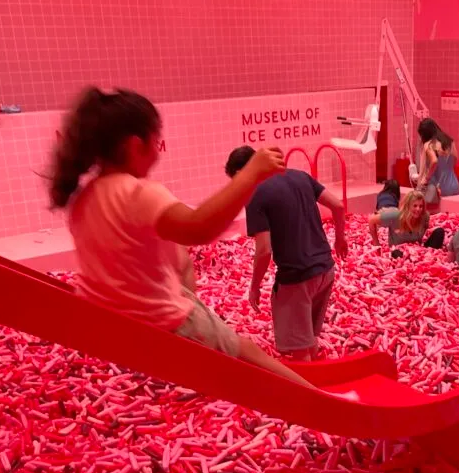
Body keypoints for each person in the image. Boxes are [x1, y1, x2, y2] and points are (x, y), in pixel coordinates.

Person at [49, 87, 310, 388]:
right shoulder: (137, 192)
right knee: (245, 351)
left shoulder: (83, 199)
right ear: (136, 146)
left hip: (114, 324)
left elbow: (136, 261)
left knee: (182, 268)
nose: (159, 150)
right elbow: (199, 227)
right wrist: (249, 175)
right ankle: (314, 396)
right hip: (162, 323)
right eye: (156, 140)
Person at [225, 146, 347, 363]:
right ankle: (321, 382)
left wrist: (254, 286)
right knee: (309, 337)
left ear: (240, 174)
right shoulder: (301, 176)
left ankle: (309, 394)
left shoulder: (255, 194)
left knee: (301, 351)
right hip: (326, 270)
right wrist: (340, 239)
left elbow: (263, 250)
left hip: (297, 278)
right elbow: (338, 206)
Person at [415, 118, 459, 206]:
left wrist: (426, 179)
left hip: (438, 188)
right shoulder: (450, 141)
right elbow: (455, 159)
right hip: (454, 185)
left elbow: (434, 161)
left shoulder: (428, 144)